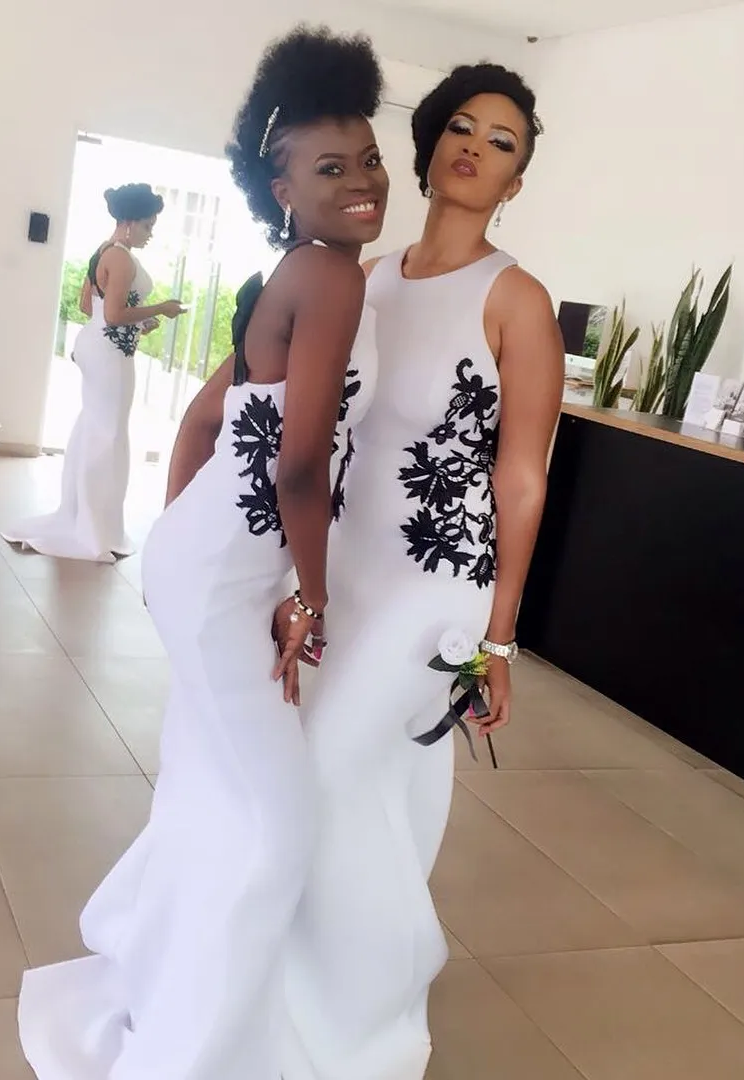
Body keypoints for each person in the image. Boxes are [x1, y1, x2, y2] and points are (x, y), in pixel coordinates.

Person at [16, 25, 389, 1080]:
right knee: (275, 829)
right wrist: (312, 595)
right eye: (331, 168)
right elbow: (301, 466)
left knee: (209, 790)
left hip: (213, 560)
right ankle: (192, 1049)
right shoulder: (332, 279)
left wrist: (191, 540)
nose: (363, 182)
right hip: (228, 569)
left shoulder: (295, 274)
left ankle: (175, 985)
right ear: (281, 189)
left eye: (370, 159)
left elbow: (202, 421)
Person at [282, 63, 565, 1080]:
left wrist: (500, 639)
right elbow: (327, 438)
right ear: (433, 142)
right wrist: (300, 580)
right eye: (464, 127)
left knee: (327, 774)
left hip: (437, 587)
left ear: (515, 182)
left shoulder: (517, 301)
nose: (476, 147)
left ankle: (356, 1002)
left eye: (502, 143)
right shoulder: (370, 277)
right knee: (380, 784)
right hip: (353, 568)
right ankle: (332, 983)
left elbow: (522, 479)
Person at [1, 183, 184, 561]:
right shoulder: (120, 257)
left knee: (95, 427)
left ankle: (84, 516)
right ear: (129, 222)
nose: (151, 234)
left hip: (97, 345)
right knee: (108, 433)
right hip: (109, 355)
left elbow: (91, 306)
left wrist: (137, 324)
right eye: (148, 226)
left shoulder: (104, 251)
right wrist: (160, 309)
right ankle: (93, 527)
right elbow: (114, 314)